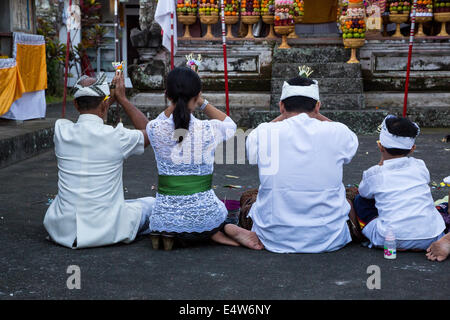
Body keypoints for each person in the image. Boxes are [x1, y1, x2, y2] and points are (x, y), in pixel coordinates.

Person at [146, 67, 263, 250]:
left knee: (160, 208)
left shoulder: (154, 128)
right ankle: (219, 232)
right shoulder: (209, 129)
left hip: (164, 218)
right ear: (198, 94)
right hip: (205, 214)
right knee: (221, 211)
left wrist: (179, 98)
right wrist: (200, 101)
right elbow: (230, 125)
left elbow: (162, 119)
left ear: (167, 95)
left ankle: (176, 233)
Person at [243, 75, 359, 253]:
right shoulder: (338, 131)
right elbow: (351, 143)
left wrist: (283, 115)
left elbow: (251, 150)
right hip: (329, 237)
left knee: (249, 197)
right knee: (352, 196)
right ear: (317, 106)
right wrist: (317, 114)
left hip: (273, 237)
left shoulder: (264, 132)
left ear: (281, 106)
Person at [43, 72, 154, 249]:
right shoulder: (117, 136)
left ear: (75, 105)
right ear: (104, 105)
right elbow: (151, 132)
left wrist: (105, 100)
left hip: (62, 228)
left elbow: (92, 111)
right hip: (107, 229)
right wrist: (122, 99)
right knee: (152, 203)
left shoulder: (61, 131)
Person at [353, 115, 446, 251]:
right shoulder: (420, 166)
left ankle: (362, 232)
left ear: (380, 146)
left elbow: (364, 193)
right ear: (412, 148)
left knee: (360, 200)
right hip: (431, 237)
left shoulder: (374, 174)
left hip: (389, 239)